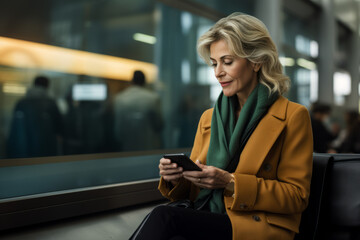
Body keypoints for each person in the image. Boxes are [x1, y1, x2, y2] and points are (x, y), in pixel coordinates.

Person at [130, 13, 313, 240]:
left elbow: (297, 197)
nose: (218, 72)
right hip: (209, 215)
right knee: (166, 219)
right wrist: (176, 177)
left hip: (255, 225)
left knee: (164, 218)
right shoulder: (209, 118)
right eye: (214, 63)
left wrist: (230, 182)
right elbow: (194, 191)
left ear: (256, 61)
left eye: (227, 62)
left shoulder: (292, 116)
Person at [7, 76, 63, 158]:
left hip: (23, 149)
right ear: (47, 86)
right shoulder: (50, 103)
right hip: (45, 150)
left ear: (34, 85)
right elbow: (59, 127)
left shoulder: (21, 103)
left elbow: (14, 129)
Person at [113, 70, 163, 151]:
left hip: (127, 147)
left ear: (132, 81)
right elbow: (159, 124)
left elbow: (118, 130)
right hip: (148, 146)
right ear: (144, 81)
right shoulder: (153, 98)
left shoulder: (120, 98)